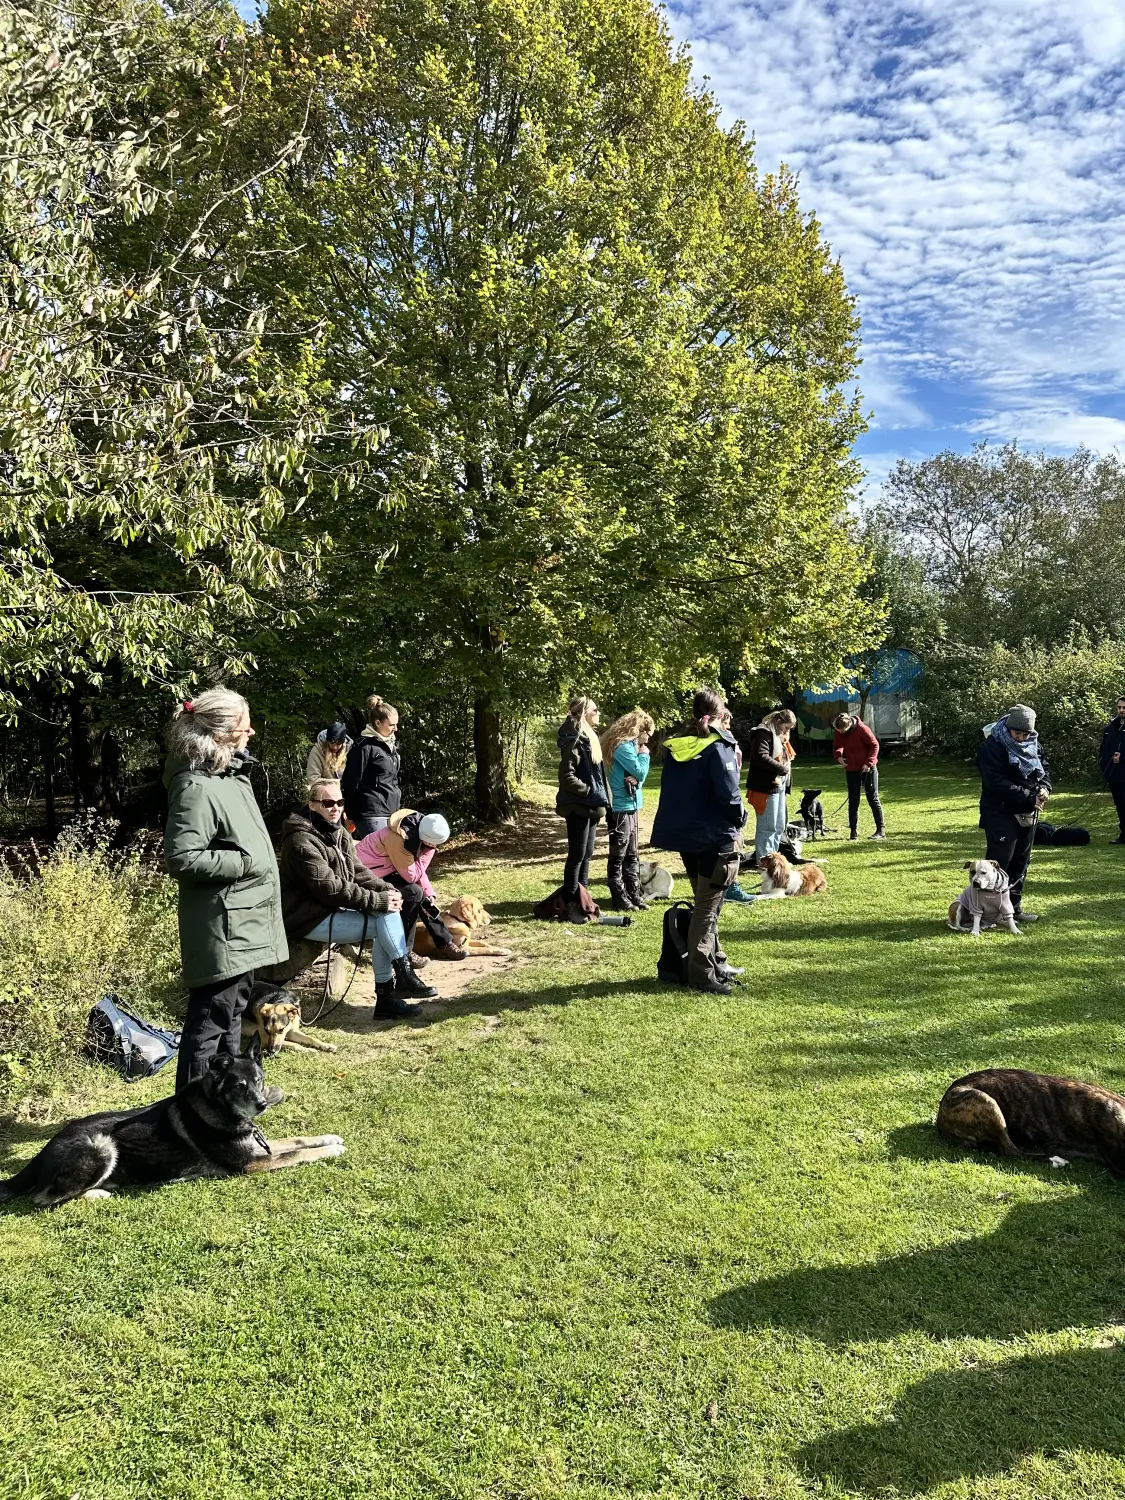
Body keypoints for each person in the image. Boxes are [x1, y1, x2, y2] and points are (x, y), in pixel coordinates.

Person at [163, 688, 288, 1090]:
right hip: (224, 926)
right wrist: (246, 862)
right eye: (242, 725)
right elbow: (182, 857)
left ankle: (224, 1104)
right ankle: (191, 1117)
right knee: (210, 1021)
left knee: (232, 1016)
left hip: (244, 920)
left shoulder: (229, 777)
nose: (250, 731)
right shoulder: (195, 786)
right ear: (219, 734)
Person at [277, 777, 434, 1017]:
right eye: (328, 802)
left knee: (386, 915)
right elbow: (331, 888)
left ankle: (391, 993)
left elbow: (357, 871)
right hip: (306, 918)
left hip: (330, 910)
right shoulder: (300, 841)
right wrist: (379, 900)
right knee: (384, 915)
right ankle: (397, 984)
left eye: (339, 802)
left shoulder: (338, 831)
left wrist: (386, 889)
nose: (335, 808)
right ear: (312, 805)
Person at [651, 688, 747, 995]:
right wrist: (740, 817)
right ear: (719, 716)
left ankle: (715, 961)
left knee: (707, 903)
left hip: (687, 836)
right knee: (708, 907)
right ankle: (702, 974)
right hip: (715, 837)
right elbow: (729, 795)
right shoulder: (718, 748)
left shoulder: (679, 747)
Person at [355, 808, 466, 961]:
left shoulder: (417, 833)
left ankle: (444, 943)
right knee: (414, 894)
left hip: (387, 871)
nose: (434, 847)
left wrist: (428, 890)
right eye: (434, 845)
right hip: (365, 876)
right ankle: (405, 952)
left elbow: (415, 869)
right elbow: (412, 875)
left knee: (423, 897)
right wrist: (428, 852)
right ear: (427, 839)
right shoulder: (398, 838)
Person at [978, 705, 1051, 923]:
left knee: (1021, 862)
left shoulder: (1035, 744)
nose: (1020, 738)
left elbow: (1043, 769)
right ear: (1008, 728)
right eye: (1017, 733)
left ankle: (1013, 909)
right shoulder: (992, 747)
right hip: (1000, 811)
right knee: (1000, 863)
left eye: (1025, 734)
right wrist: (1030, 797)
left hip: (1027, 812)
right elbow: (995, 782)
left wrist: (1045, 788)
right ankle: (988, 912)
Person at [555, 695, 611, 923]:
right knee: (577, 856)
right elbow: (566, 776)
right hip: (578, 806)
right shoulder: (575, 739)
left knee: (587, 855)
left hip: (592, 806)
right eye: (595, 710)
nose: (598, 714)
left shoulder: (590, 737)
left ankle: (584, 901)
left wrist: (600, 797)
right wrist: (587, 791)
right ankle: (571, 905)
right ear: (584, 713)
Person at [601, 708, 655, 911]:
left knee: (632, 853)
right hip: (620, 807)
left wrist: (637, 780)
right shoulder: (623, 748)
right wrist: (644, 755)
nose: (647, 740)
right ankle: (618, 895)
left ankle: (634, 892)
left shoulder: (628, 748)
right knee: (618, 854)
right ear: (638, 730)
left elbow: (637, 778)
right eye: (647, 735)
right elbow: (640, 772)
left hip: (631, 804)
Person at [341, 695, 401, 837]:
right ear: (378, 723)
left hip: (392, 812)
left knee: (391, 858)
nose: (396, 729)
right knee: (380, 858)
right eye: (391, 724)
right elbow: (350, 782)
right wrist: (348, 813)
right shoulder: (363, 747)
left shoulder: (391, 746)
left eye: (396, 724)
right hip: (370, 813)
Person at [746, 709, 796, 864]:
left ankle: (773, 860)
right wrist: (782, 768)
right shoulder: (763, 734)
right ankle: (764, 863)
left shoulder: (777, 735)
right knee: (768, 827)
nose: (787, 731)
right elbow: (761, 756)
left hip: (778, 785)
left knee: (779, 825)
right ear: (779, 722)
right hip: (765, 786)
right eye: (786, 728)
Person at [833, 712, 886, 840]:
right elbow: (837, 746)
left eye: (842, 731)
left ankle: (880, 830)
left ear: (849, 725)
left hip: (868, 769)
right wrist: (839, 756)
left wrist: (868, 763)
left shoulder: (862, 729)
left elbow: (875, 746)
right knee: (853, 800)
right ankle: (853, 831)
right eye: (838, 731)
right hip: (851, 768)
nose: (840, 733)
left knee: (873, 798)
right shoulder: (839, 730)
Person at [1099, 695, 1125, 845]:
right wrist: (1103, 763)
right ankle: (1124, 835)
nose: (1121, 710)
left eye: (1124, 708)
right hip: (1113, 775)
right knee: (1120, 805)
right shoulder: (1110, 727)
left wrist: (1122, 758)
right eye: (1119, 707)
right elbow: (1103, 748)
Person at [305, 720, 352, 786]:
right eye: (331, 743)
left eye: (338, 744)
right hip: (324, 793)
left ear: (343, 743)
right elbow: (313, 779)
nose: (335, 747)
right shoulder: (317, 751)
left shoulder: (351, 750)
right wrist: (338, 783)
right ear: (327, 741)